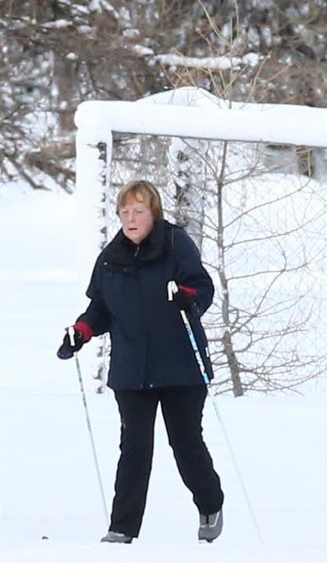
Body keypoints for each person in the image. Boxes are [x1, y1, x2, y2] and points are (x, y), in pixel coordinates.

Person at [57, 179, 224, 544]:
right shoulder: (110, 258)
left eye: (139, 211)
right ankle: (122, 528)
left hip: (182, 368)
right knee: (134, 447)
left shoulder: (176, 244)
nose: (131, 219)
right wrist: (82, 332)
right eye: (125, 212)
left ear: (154, 214)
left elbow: (202, 289)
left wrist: (186, 297)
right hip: (133, 370)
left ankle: (210, 503)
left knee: (185, 443)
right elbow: (100, 308)